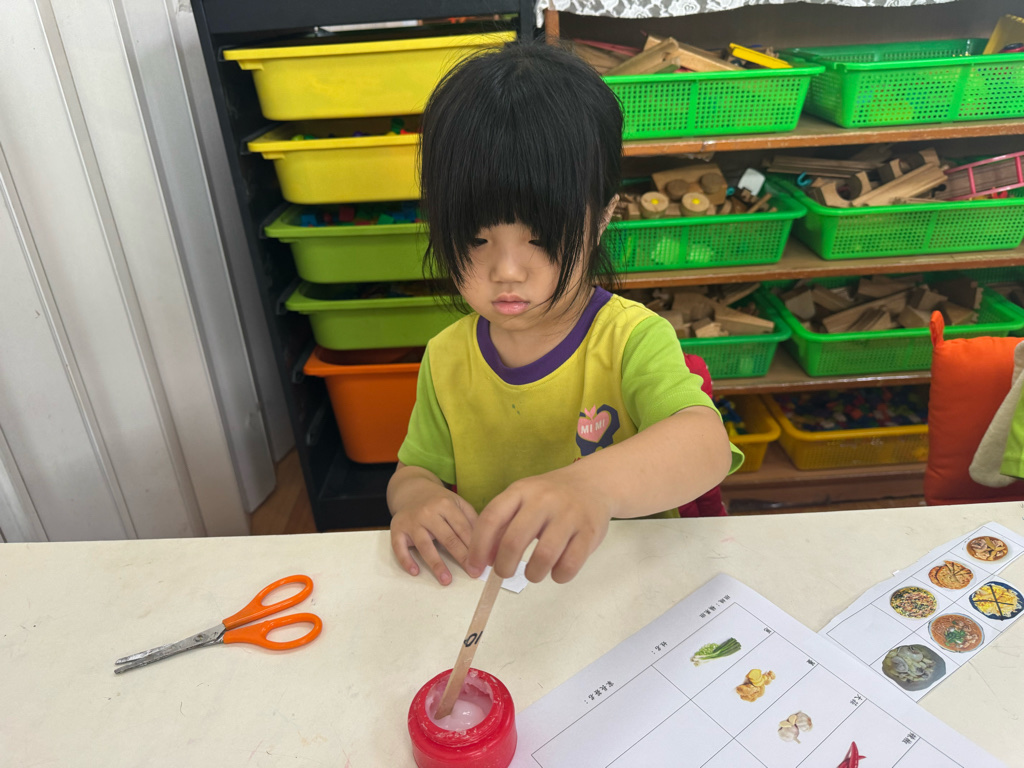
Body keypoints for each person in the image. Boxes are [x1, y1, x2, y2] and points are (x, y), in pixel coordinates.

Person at [387, 40, 742, 587]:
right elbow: (414, 470)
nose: (507, 270)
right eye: (476, 238)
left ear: (601, 220)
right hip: (502, 591)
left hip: (626, 586)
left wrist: (590, 486)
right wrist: (416, 498)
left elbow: (706, 445)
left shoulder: (631, 339)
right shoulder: (446, 358)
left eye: (542, 238)